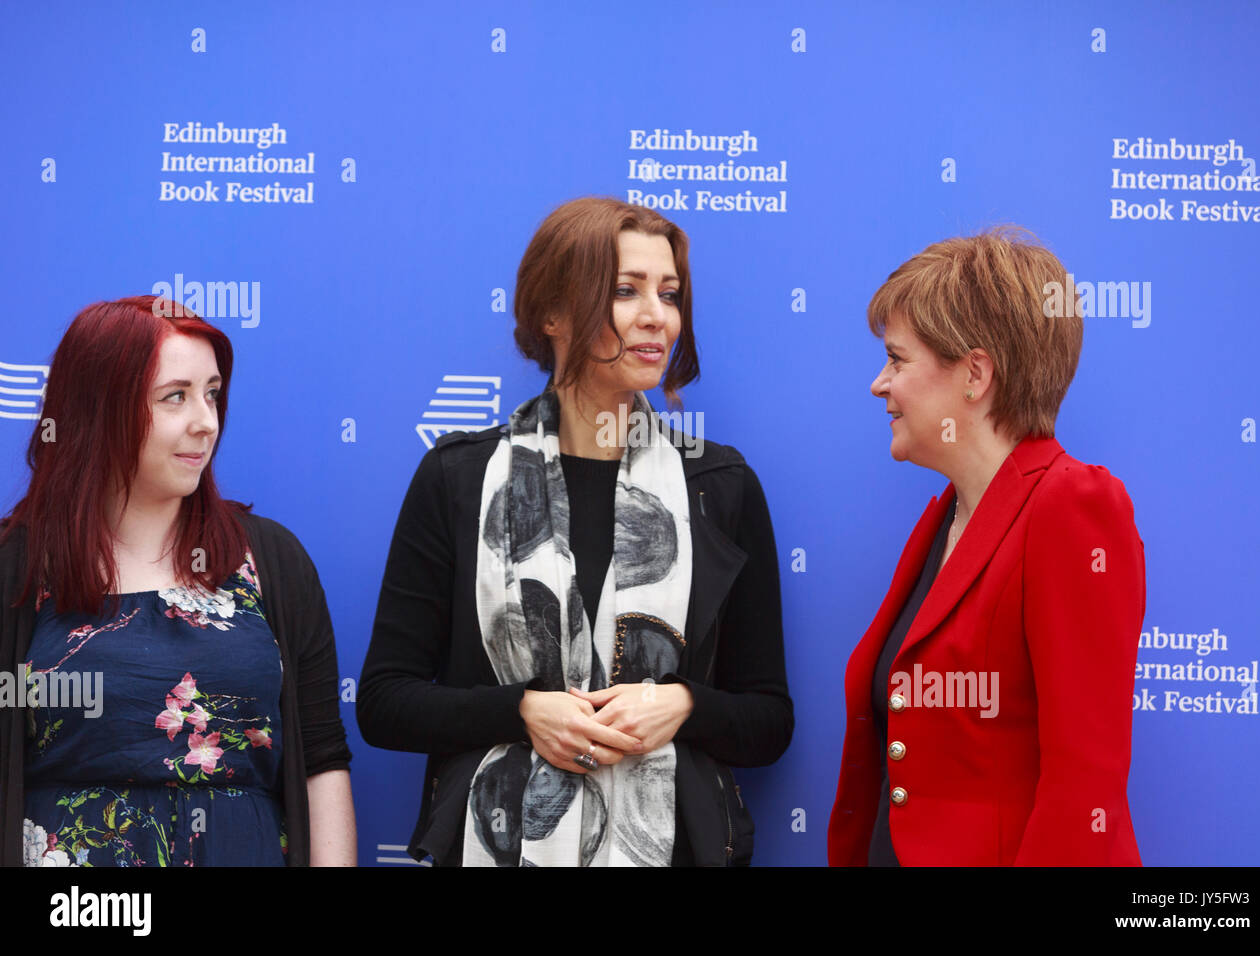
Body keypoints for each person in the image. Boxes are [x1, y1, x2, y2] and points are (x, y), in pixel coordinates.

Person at [358, 196, 793, 867]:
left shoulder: (719, 487)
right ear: (552, 314)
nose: (657, 316)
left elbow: (768, 720)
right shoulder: (459, 478)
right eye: (626, 290)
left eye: (670, 294)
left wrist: (681, 705)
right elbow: (385, 703)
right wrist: (523, 712)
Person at [0, 296, 356, 866]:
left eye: (213, 394)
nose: (206, 421)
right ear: (100, 410)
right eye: (176, 397)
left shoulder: (272, 560)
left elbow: (320, 759)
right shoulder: (16, 566)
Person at [828, 229, 1145, 866]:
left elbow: (1084, 787)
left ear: (975, 374)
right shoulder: (942, 520)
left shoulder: (1071, 506)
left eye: (896, 359)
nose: (878, 384)